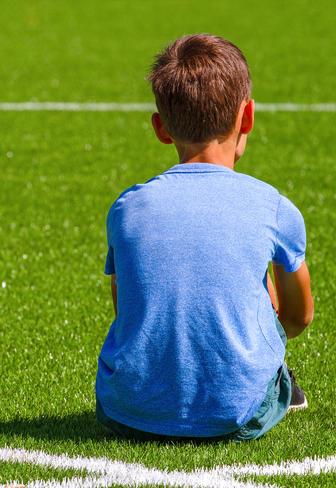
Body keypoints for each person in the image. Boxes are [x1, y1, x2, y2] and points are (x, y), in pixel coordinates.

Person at [95, 34, 314, 442]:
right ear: (246, 117)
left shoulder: (127, 208)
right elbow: (299, 317)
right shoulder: (272, 206)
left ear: (160, 128)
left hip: (125, 411)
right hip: (239, 412)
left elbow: (125, 309)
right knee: (255, 273)